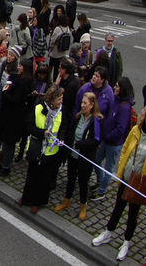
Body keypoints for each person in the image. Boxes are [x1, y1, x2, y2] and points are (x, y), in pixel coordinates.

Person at [91, 101, 146, 262]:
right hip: (127, 177)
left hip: (140, 181)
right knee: (118, 207)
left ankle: (127, 241)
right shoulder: (136, 130)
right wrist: (122, 166)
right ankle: (108, 231)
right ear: (145, 114)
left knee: (133, 213)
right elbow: (126, 148)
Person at [56, 90, 101, 220]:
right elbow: (71, 132)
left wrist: (79, 144)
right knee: (70, 178)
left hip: (85, 157)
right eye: (82, 102)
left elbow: (96, 140)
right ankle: (66, 200)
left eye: (85, 103)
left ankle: (83, 205)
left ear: (91, 105)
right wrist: (67, 141)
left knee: (83, 182)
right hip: (73, 155)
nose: (82, 105)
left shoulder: (95, 121)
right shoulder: (77, 117)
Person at [18, 85, 64, 213]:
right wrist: (42, 133)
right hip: (36, 148)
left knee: (44, 179)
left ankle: (38, 202)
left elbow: (64, 128)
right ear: (52, 99)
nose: (61, 101)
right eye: (59, 99)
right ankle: (26, 198)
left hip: (50, 151)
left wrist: (61, 138)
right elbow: (30, 127)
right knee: (31, 175)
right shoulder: (38, 108)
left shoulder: (62, 111)